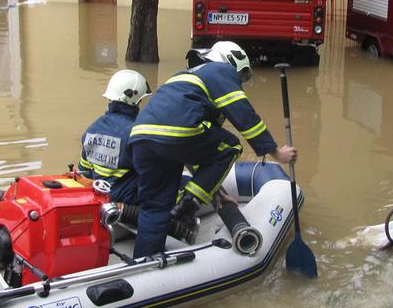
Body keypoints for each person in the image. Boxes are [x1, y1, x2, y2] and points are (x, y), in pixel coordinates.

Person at [128, 41, 297, 258]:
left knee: (155, 204)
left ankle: (144, 262)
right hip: (178, 133)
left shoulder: (183, 78)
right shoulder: (221, 70)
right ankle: (188, 206)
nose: (240, 82)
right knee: (231, 145)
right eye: (241, 76)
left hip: (141, 138)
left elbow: (195, 153)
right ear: (232, 61)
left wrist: (216, 193)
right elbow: (244, 115)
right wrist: (275, 152)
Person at [78, 69, 151, 205]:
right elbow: (150, 173)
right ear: (135, 101)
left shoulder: (92, 129)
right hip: (127, 199)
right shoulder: (135, 132)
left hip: (99, 195)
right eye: (140, 101)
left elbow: (85, 172)